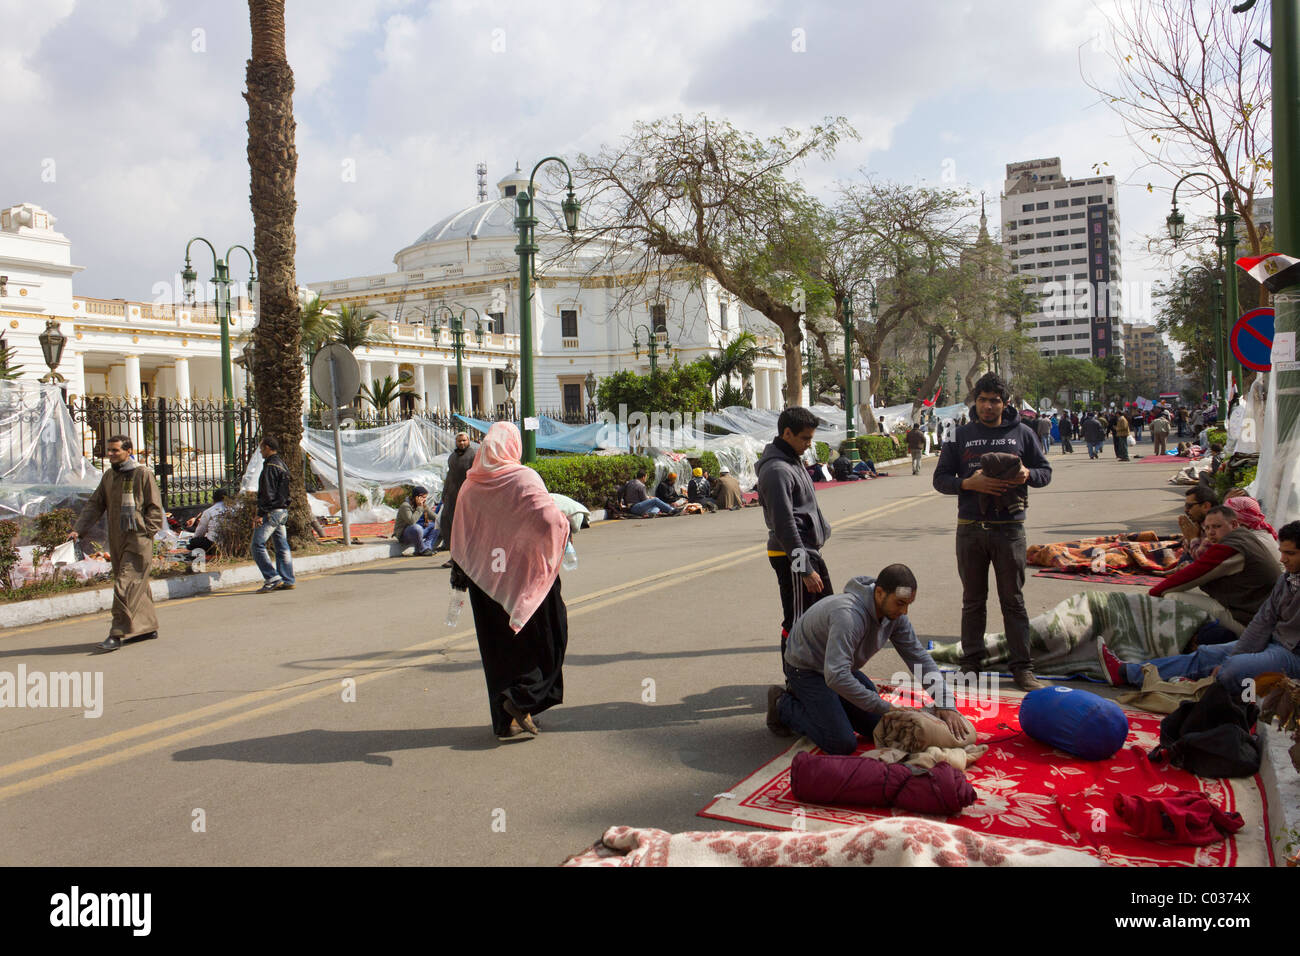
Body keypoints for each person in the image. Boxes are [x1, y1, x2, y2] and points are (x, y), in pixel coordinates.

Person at [766, 564, 969, 754]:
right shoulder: (848, 616)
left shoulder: (895, 616)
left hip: (837, 667)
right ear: (879, 592)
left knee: (877, 726)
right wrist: (886, 706)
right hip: (807, 670)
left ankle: (829, 704)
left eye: (908, 604)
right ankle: (782, 703)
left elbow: (918, 656)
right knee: (841, 742)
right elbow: (836, 677)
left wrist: (945, 703)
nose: (904, 611)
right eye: (900, 603)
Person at [450, 422, 570, 740]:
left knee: (499, 651)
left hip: (485, 582)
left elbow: (461, 536)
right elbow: (548, 519)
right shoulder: (522, 478)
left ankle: (506, 721)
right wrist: (565, 524)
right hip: (527, 577)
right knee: (549, 639)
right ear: (513, 445)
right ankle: (521, 699)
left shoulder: (469, 486)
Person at [933, 372, 1053, 691]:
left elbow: (1045, 473)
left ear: (1005, 403)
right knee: (973, 601)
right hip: (970, 529)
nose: (988, 406)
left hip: (1010, 530)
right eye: (983, 400)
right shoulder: (958, 435)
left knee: (1012, 600)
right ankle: (970, 665)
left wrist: (1027, 473)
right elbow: (940, 479)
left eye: (994, 401)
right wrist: (967, 483)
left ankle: (1022, 668)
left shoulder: (1023, 433)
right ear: (976, 402)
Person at [1098, 521, 1300, 693]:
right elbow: (1263, 621)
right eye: (1282, 552)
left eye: (1290, 553)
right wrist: (1239, 653)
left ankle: (1240, 710)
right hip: (1274, 642)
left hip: (1293, 655)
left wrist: (1236, 660)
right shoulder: (1288, 579)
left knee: (1233, 669)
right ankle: (1127, 673)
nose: (1283, 559)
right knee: (1208, 654)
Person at [68, 434, 164, 652]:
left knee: (125, 585)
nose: (110, 454)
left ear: (128, 451)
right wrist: (78, 530)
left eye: (115, 451)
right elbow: (95, 505)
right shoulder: (110, 476)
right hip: (117, 538)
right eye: (109, 450)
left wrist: (147, 532)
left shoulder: (142, 473)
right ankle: (147, 626)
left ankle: (117, 633)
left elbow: (154, 508)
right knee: (136, 584)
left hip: (138, 539)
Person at [757, 406, 834, 657]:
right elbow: (784, 525)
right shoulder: (777, 469)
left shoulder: (792, 461)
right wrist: (804, 569)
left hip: (807, 553)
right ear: (787, 433)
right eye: (805, 438)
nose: (809, 444)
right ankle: (795, 680)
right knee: (798, 621)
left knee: (821, 616)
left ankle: (814, 676)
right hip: (793, 557)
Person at [1149, 505, 1281, 631]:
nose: (1211, 533)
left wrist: (1150, 597)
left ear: (1234, 524)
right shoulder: (1245, 536)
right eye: (1207, 528)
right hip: (1261, 614)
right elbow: (1201, 568)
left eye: (1217, 527)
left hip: (1251, 624)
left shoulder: (1230, 548)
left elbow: (1194, 574)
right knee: (1187, 587)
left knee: (1172, 596)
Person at [252, 436, 295, 593]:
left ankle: (272, 578)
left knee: (257, 545)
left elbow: (267, 493)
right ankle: (287, 579)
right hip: (282, 511)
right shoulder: (281, 464)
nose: (261, 451)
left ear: (268, 448)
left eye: (262, 448)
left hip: (272, 512)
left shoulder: (270, 466)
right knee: (281, 545)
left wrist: (260, 513)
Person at [438, 431, 477, 564]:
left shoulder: (474, 456)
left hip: (467, 498)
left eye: (464, 441)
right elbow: (449, 477)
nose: (461, 443)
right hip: (451, 497)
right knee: (446, 523)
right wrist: (444, 494)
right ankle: (454, 556)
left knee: (465, 529)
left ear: (469, 441)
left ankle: (468, 558)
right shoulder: (452, 457)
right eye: (459, 441)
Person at [1177, 485, 1220, 566]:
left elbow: (1201, 560)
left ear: (1205, 506)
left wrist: (1193, 538)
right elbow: (1186, 549)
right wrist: (1188, 537)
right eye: (1186, 506)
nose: (1186, 510)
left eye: (1189, 506)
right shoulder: (1200, 524)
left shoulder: (1215, 528)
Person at [394, 485, 438, 556]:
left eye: (425, 497)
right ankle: (421, 549)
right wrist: (419, 507)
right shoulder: (405, 506)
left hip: (419, 532)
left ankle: (427, 547)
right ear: (416, 497)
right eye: (423, 497)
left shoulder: (423, 505)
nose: (425, 500)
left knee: (436, 525)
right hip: (405, 534)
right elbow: (412, 521)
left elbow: (435, 517)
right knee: (416, 527)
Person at [186, 488, 229, 556]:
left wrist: (194, 540)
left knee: (194, 542)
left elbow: (200, 532)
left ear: (214, 500)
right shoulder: (233, 509)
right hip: (230, 543)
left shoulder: (208, 512)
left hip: (214, 545)